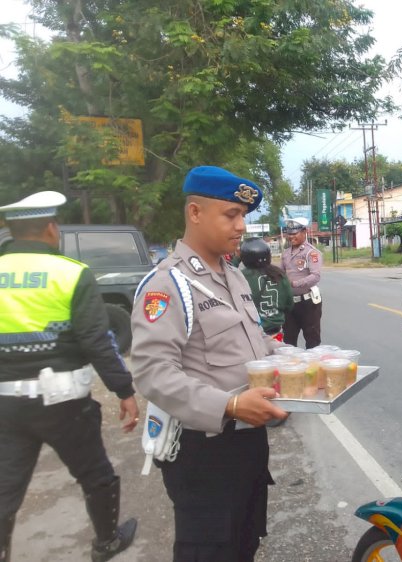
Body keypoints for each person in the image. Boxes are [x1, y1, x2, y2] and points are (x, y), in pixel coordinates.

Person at [130, 166, 288, 561]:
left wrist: (293, 357)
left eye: (243, 217)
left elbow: (251, 343)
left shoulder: (233, 276)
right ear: (195, 213)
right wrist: (230, 406)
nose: (240, 226)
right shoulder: (167, 284)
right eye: (230, 215)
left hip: (248, 444)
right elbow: (152, 372)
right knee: (208, 551)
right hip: (204, 453)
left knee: (244, 543)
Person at [0, 191, 139, 562]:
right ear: (49, 228)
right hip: (64, 404)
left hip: (5, 406)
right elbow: (97, 341)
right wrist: (124, 390)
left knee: (4, 491)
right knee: (95, 474)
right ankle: (106, 543)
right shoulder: (71, 274)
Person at [239, 238, 294, 341]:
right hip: (275, 331)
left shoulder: (240, 276)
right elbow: (289, 304)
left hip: (252, 332)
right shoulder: (279, 274)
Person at [280, 217, 323, 348]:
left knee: (312, 340)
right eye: (289, 233)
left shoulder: (311, 252)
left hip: (308, 303)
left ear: (304, 232)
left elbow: (315, 276)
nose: (291, 237)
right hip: (290, 303)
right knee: (288, 340)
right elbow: (281, 273)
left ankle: (312, 368)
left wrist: (294, 284)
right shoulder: (286, 253)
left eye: (294, 233)